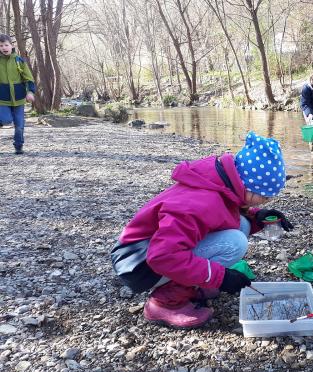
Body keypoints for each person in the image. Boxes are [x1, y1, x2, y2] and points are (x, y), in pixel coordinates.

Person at [111, 132, 294, 329]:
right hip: (138, 264)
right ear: (247, 185)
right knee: (235, 243)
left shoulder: (221, 182)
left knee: (242, 225)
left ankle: (192, 284)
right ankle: (164, 303)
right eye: (264, 197)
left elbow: (225, 215)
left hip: (152, 249)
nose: (267, 201)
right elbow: (163, 256)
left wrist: (258, 217)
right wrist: (220, 277)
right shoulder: (198, 204)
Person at [0, 34, 35, 155]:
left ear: (11, 45)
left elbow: (29, 78)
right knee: (6, 120)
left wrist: (30, 92)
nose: (4, 47)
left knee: (19, 125)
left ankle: (19, 146)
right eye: (1, 45)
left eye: (6, 45)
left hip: (19, 99)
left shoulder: (19, 61)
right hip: (2, 99)